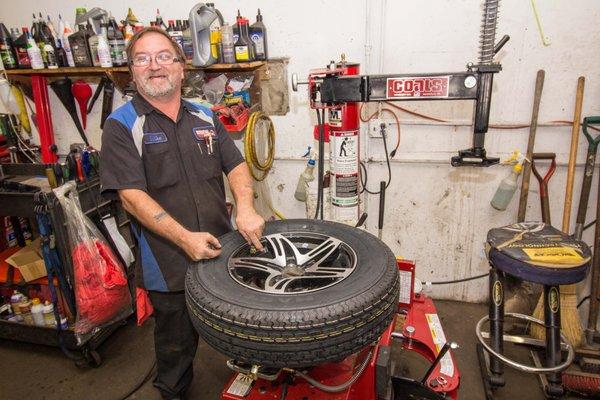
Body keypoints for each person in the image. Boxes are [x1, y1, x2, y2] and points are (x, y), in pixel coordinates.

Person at [99, 27, 265, 400]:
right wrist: (184, 238)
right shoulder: (121, 126)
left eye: (163, 56)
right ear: (132, 70)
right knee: (176, 346)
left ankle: (254, 383)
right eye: (142, 59)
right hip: (168, 260)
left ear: (180, 66)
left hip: (224, 249)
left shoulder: (205, 115)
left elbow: (236, 165)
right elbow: (131, 196)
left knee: (245, 327)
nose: (154, 66)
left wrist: (247, 207)